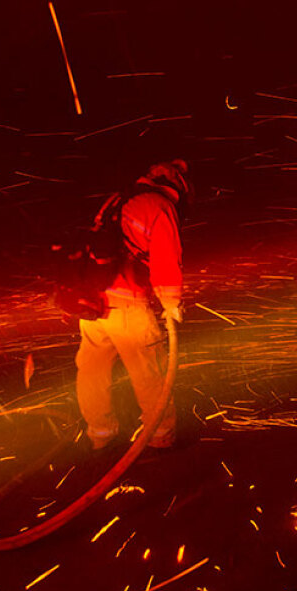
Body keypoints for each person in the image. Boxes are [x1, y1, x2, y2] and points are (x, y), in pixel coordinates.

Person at [75, 160, 190, 451]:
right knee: (149, 372)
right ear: (176, 186)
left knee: (92, 372)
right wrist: (172, 303)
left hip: (92, 303)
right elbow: (166, 261)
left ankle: (100, 434)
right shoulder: (159, 206)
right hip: (128, 307)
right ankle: (160, 436)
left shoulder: (117, 199)